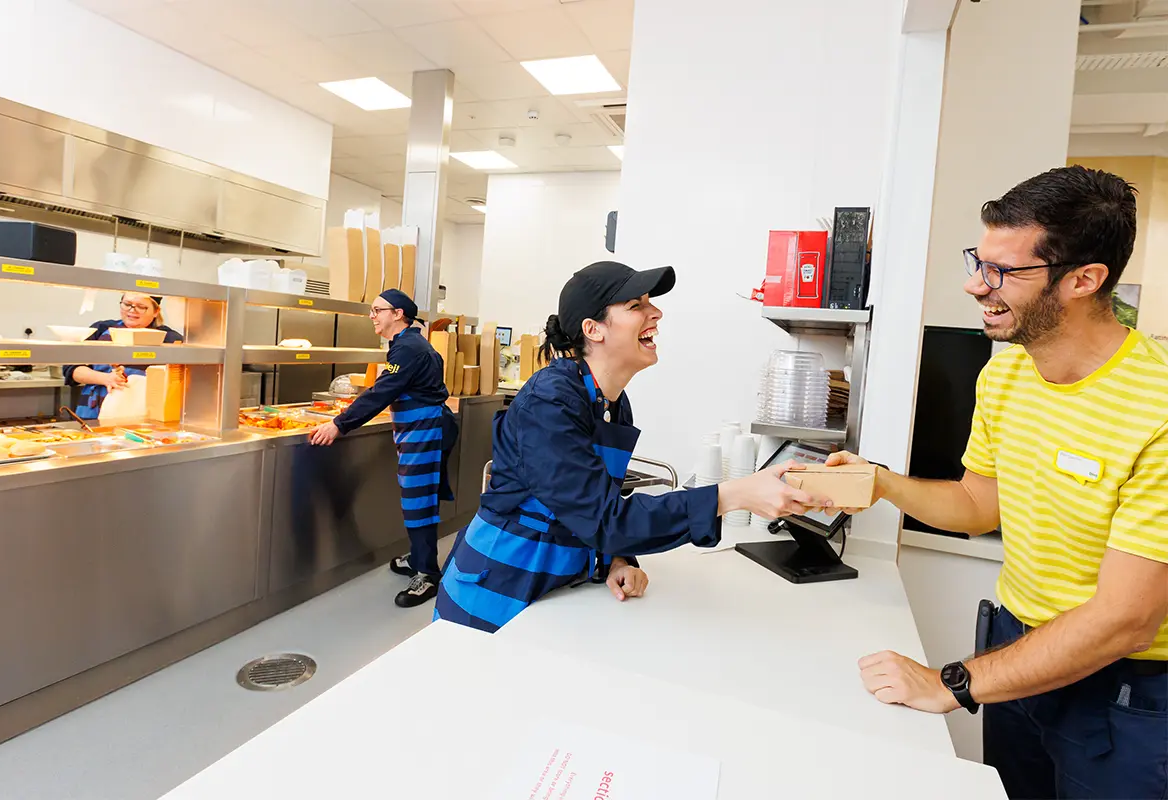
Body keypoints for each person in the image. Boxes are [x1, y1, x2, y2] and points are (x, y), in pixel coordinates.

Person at [827, 166, 1167, 799]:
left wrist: (952, 683)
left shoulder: (1157, 408)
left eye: (1003, 272)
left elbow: (1127, 620)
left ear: (1085, 280)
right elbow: (979, 505)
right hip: (1017, 647)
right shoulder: (1006, 376)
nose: (973, 285)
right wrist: (881, 484)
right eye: (978, 262)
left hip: (1125, 688)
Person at [434, 260, 831, 633]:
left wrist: (616, 559)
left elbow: (592, 505)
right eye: (636, 305)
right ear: (594, 329)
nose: (655, 313)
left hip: (551, 589)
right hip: (494, 589)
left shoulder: (611, 402)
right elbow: (606, 519)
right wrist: (735, 494)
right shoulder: (549, 402)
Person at [310, 289, 458, 609]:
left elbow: (381, 392)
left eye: (378, 310)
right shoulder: (404, 345)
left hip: (426, 430)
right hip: (420, 429)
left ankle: (428, 574)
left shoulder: (409, 349)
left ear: (398, 314)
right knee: (416, 497)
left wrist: (339, 424)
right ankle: (420, 557)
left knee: (419, 502)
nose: (373, 316)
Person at [63, 292, 184, 420]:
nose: (132, 310)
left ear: (156, 311)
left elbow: (179, 381)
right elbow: (71, 369)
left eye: (141, 307)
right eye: (127, 304)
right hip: (91, 414)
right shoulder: (100, 329)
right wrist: (105, 378)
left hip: (142, 417)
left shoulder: (170, 339)